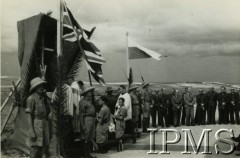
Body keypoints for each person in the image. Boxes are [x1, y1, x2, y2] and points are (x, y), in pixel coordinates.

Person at [26, 77, 52, 158]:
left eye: (42, 86)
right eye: (39, 86)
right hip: (36, 124)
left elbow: (50, 106)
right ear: (35, 88)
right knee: (35, 147)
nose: (41, 88)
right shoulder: (31, 99)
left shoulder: (44, 98)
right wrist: (31, 130)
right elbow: (28, 114)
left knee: (44, 146)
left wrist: (51, 112)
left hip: (45, 123)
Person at [79, 87, 96, 158]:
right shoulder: (82, 102)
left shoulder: (90, 101)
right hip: (87, 119)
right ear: (86, 94)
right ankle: (85, 154)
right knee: (85, 137)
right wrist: (82, 125)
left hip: (92, 119)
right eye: (90, 92)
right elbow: (81, 115)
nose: (91, 93)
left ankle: (88, 154)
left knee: (90, 137)